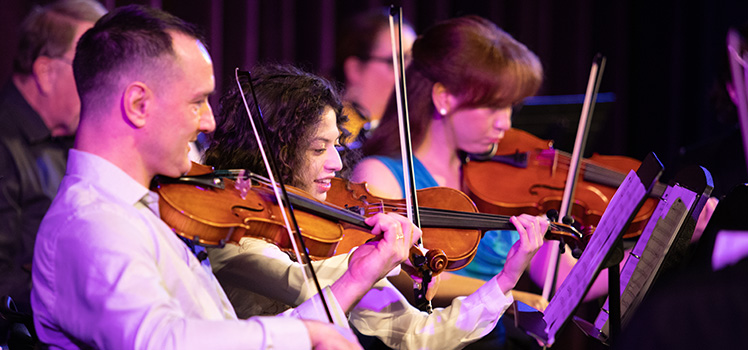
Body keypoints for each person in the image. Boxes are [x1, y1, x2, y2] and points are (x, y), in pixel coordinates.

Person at [30, 5, 416, 349]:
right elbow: (158, 340)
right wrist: (306, 335)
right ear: (138, 105)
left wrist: (355, 279)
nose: (208, 121)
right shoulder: (91, 222)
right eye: (196, 101)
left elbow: (221, 335)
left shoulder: (146, 211)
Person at [203, 63, 549, 350]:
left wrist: (506, 279)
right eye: (318, 149)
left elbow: (420, 334)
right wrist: (379, 264)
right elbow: (305, 287)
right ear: (275, 150)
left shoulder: (325, 237)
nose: (337, 164)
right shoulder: (229, 234)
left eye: (336, 145)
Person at [350, 15, 614, 349]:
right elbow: (397, 278)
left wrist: (654, 244)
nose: (505, 123)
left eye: (510, 106)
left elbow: (564, 278)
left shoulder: (502, 179)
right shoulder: (380, 175)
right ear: (444, 97)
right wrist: (507, 291)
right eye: (493, 106)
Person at [0, 0, 105, 343]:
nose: (102, 87)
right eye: (91, 69)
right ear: (46, 71)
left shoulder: (74, 138)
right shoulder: (4, 145)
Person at [333, 9, 416, 146]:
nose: (410, 70)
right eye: (395, 61)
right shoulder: (334, 134)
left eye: (413, 61)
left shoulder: (410, 130)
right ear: (354, 69)